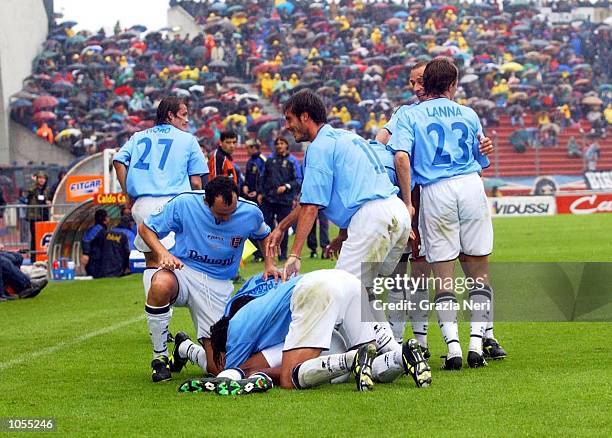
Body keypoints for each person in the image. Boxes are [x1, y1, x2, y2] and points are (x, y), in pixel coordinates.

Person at [267, 89, 410, 356]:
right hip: (395, 213)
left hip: (373, 218)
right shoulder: (346, 137)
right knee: (362, 292)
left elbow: (311, 205)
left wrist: (294, 254)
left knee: (342, 293)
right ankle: (394, 353)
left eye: (289, 119)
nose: (287, 126)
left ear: (305, 116)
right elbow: (353, 191)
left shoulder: (319, 147)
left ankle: (362, 356)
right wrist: (287, 226)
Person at [376, 61, 497, 358]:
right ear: (452, 84)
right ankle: (477, 344)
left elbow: (398, 157)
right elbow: (480, 158)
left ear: (425, 83)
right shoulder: (468, 113)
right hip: (470, 184)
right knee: (478, 271)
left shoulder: (410, 115)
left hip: (434, 190)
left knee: (442, 272)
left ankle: (453, 349)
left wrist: (406, 201)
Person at [182, 269, 430, 393]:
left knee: (290, 378)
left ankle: (352, 359)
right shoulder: (253, 313)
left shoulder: (235, 333)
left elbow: (236, 372)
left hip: (316, 291)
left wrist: (254, 372)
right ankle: (402, 355)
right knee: (370, 364)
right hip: (346, 281)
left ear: (222, 351)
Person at [137, 177, 278, 382]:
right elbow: (145, 228)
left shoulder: (250, 212)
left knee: (219, 369)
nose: (228, 219)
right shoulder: (185, 203)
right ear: (206, 201)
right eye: (221, 214)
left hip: (218, 284)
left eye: (232, 212)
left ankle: (185, 349)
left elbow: (264, 235)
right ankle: (159, 358)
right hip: (184, 271)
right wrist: (162, 254)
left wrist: (269, 264)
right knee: (159, 285)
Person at [113, 96, 208, 294]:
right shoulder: (188, 140)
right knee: (172, 260)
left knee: (151, 259)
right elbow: (197, 182)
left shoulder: (139, 136)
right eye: (183, 115)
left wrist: (127, 193)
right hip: (175, 204)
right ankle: (164, 312)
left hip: (142, 204)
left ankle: (154, 312)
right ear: (170, 115)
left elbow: (118, 161)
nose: (187, 120)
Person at [258, 136, 301, 261]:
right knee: (266, 226)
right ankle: (267, 254)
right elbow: (263, 177)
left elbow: (298, 180)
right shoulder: (270, 160)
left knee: (283, 227)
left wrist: (286, 187)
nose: (279, 146)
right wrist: (261, 192)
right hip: (269, 199)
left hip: (285, 200)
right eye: (277, 144)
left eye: (282, 143)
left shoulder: (292, 161)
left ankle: (283, 254)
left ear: (287, 145)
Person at [26, 171, 51, 262]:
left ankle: (43, 257)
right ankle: (34, 258)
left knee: (43, 237)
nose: (41, 180)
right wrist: (34, 183)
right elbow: (29, 191)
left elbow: (48, 198)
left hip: (44, 216)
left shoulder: (46, 189)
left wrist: (49, 202)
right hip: (34, 216)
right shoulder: (33, 188)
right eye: (39, 178)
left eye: (43, 178)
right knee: (34, 237)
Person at [81, 208, 110, 277]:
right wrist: (86, 253)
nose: (109, 219)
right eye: (108, 217)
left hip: (98, 258)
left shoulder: (101, 229)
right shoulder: (97, 229)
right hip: (94, 259)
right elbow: (86, 240)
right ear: (104, 219)